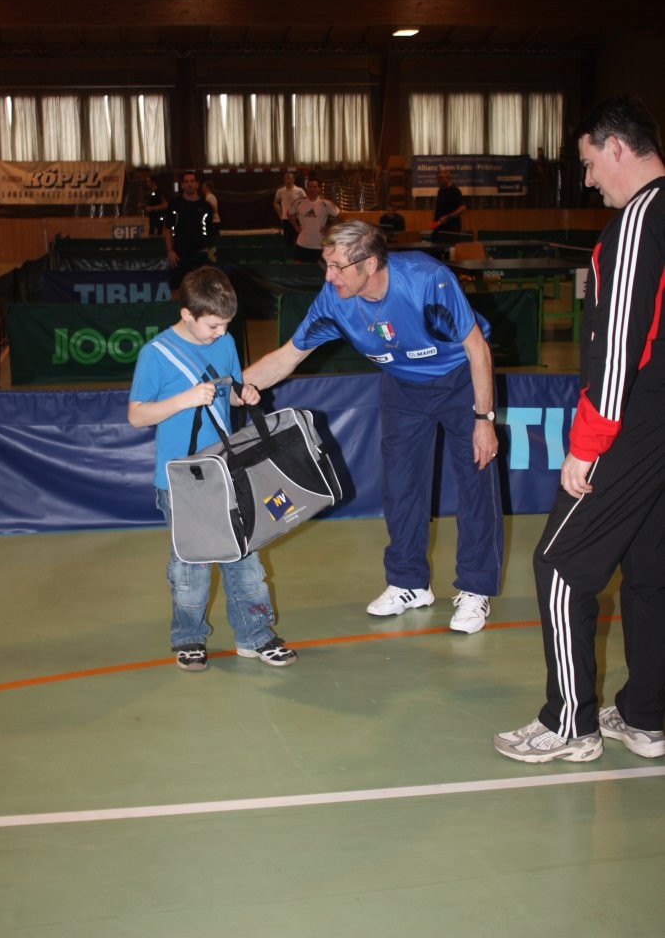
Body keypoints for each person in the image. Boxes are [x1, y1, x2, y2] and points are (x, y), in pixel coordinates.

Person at [494, 94, 665, 764]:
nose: (589, 179)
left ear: (615, 147)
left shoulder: (638, 222)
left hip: (634, 424)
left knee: (560, 565)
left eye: (589, 162)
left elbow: (618, 346)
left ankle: (570, 722)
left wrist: (586, 446)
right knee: (649, 569)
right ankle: (646, 716)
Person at [244, 219, 503, 634]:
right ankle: (409, 583)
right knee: (400, 486)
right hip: (402, 386)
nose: (328, 276)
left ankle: (475, 589)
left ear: (368, 264)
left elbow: (477, 348)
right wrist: (240, 386)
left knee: (474, 481)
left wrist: (484, 419)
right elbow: (289, 356)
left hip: (459, 381)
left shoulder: (427, 281)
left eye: (337, 266)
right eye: (326, 264)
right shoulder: (334, 301)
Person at [127, 266, 298, 672]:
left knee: (245, 558)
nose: (220, 334)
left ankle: (255, 635)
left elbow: (230, 390)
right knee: (191, 566)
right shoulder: (155, 354)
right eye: (213, 326)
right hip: (181, 479)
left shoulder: (223, 343)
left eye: (226, 325)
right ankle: (188, 636)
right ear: (187, 314)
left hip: (226, 470)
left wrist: (244, 394)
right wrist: (184, 400)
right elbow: (136, 416)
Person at [163, 171, 218, 291]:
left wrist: (208, 251)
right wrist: (170, 251)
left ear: (197, 184)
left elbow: (211, 232)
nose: (190, 184)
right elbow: (167, 228)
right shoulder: (175, 204)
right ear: (182, 185)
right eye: (186, 182)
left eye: (192, 181)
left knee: (203, 291)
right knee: (177, 290)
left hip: (200, 256)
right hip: (178, 256)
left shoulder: (206, 206)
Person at [289, 176, 340, 263]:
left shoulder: (326, 203)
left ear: (319, 189)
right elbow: (289, 214)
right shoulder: (299, 202)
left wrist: (330, 227)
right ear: (306, 188)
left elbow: (339, 215)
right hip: (303, 243)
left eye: (314, 187)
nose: (312, 189)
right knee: (295, 267)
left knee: (321, 269)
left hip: (320, 244)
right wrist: (296, 226)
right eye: (310, 187)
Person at [431, 166, 467, 237]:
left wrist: (448, 217)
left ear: (448, 177)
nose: (439, 180)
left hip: (451, 231)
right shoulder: (440, 191)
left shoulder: (454, 190)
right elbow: (439, 212)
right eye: (438, 178)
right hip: (440, 229)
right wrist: (433, 225)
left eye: (441, 177)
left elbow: (463, 209)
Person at [273, 170, 306, 245]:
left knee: (298, 239)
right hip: (286, 218)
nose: (288, 180)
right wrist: (281, 215)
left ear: (294, 179)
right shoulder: (280, 191)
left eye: (290, 178)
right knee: (287, 240)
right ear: (284, 180)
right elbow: (275, 203)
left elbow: (305, 202)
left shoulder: (299, 190)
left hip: (297, 219)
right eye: (286, 178)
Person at [141, 170, 168, 236]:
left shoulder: (159, 192)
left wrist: (152, 208)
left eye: (148, 181)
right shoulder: (148, 193)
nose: (147, 183)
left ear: (153, 182)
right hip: (150, 220)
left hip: (158, 220)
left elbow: (165, 205)